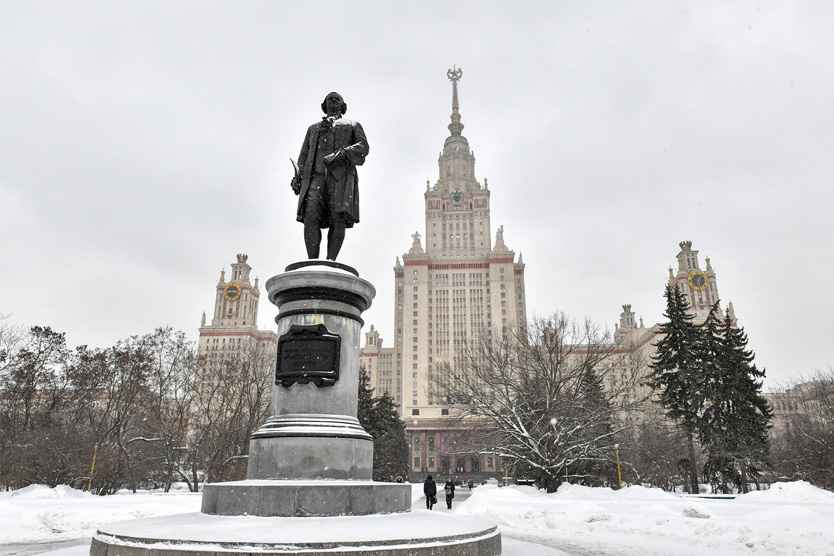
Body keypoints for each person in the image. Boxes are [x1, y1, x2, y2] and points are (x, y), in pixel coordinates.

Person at [291, 91, 369, 261]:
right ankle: (312, 261)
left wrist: (343, 154)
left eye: (337, 99)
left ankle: (330, 261)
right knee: (311, 218)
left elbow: (363, 147)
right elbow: (303, 156)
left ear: (343, 105)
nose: (333, 100)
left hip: (340, 179)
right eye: (330, 99)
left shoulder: (352, 125)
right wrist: (298, 177)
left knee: (337, 218)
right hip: (315, 179)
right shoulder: (313, 129)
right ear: (324, 105)